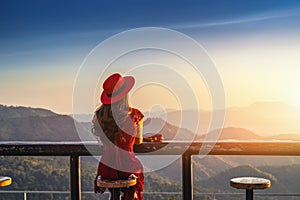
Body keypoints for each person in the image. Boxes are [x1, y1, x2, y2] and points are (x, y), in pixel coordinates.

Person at [92, 73, 144, 200]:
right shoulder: (135, 115)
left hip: (107, 166)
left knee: (114, 194)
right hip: (128, 166)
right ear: (125, 94)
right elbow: (138, 141)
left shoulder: (100, 115)